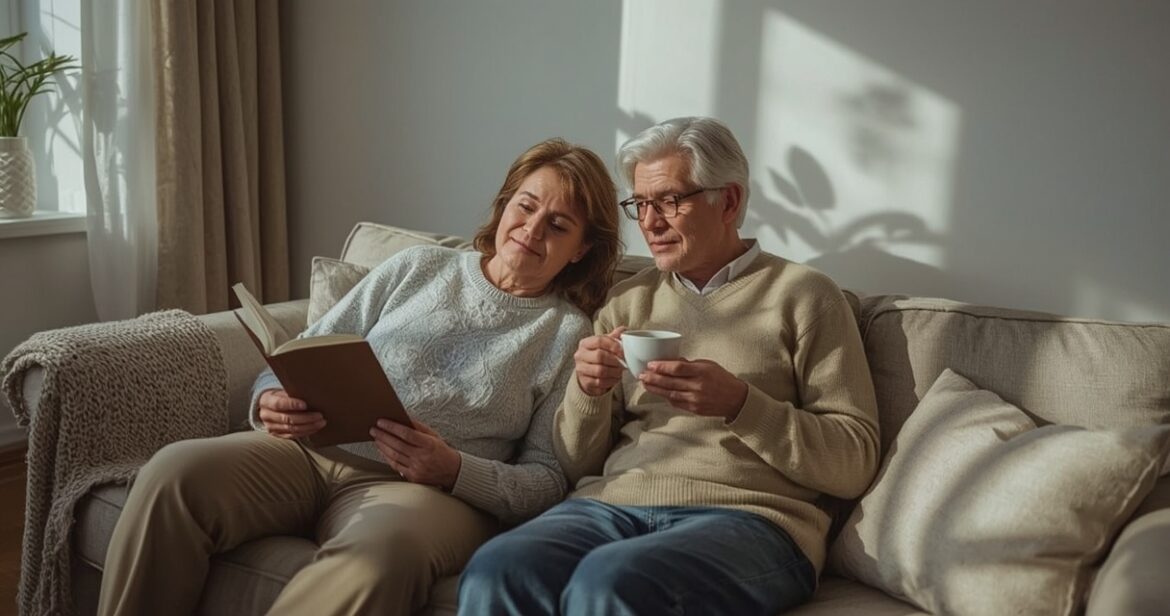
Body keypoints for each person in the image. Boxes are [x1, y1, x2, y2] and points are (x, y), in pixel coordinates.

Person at [97, 138, 622, 616]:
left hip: (426, 495)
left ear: (580, 249)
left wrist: (453, 469)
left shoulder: (568, 335)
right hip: (305, 453)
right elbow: (301, 351)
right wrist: (269, 397)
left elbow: (550, 480)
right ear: (504, 204)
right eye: (526, 206)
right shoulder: (419, 267)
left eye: (558, 225)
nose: (531, 230)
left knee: (379, 559)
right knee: (175, 471)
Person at [458, 117, 881, 615]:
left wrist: (741, 405)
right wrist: (588, 392)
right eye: (640, 205)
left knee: (610, 583)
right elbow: (577, 465)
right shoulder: (625, 303)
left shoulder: (806, 297)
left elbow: (855, 461)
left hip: (749, 521)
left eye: (669, 201)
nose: (651, 223)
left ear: (728, 202)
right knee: (498, 568)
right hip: (610, 504)